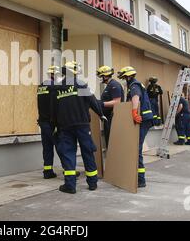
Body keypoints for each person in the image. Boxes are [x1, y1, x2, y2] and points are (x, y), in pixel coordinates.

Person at [54, 61, 107, 194]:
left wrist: (55, 124)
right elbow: (92, 101)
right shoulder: (80, 85)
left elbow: (53, 108)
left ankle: (70, 185)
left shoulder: (58, 87)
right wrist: (101, 114)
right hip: (82, 125)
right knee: (87, 152)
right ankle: (92, 183)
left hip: (65, 126)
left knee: (68, 154)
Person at [117, 66, 154, 188]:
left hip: (142, 119)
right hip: (144, 119)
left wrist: (134, 112)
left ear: (128, 76)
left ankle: (141, 180)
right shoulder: (136, 84)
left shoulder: (134, 85)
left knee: (136, 149)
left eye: (123, 78)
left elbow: (136, 97)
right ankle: (137, 177)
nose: (123, 80)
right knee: (135, 148)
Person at [37, 66, 61, 179]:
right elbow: (56, 105)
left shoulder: (41, 86)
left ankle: (47, 171)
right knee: (61, 146)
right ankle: (68, 170)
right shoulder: (54, 87)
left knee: (47, 147)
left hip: (43, 121)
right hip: (52, 123)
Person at [96, 66, 125, 148]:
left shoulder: (114, 85)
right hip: (108, 117)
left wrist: (101, 104)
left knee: (112, 141)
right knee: (108, 140)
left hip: (113, 117)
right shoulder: (109, 86)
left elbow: (117, 102)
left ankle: (114, 159)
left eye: (101, 76)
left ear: (105, 76)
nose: (100, 78)